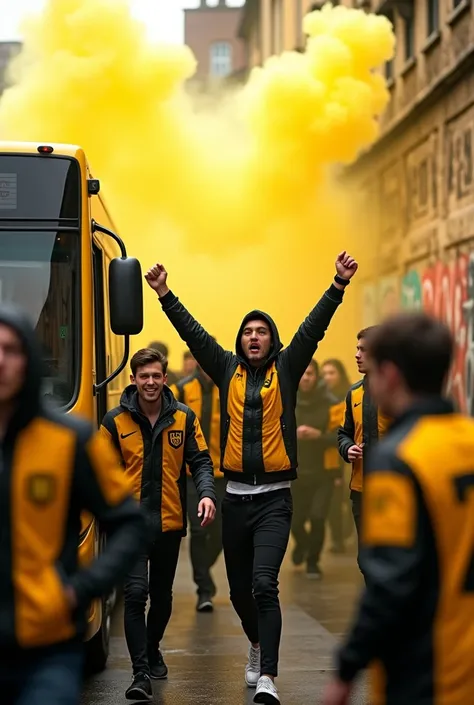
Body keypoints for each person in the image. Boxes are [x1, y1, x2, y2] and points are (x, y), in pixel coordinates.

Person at [144, 251, 358, 705]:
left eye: (262, 332)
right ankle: (256, 644)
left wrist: (337, 285)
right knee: (240, 590)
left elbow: (313, 327)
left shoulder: (287, 366)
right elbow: (195, 335)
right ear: (240, 342)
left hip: (276, 499)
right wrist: (164, 294)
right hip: (234, 497)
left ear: (272, 340)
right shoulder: (226, 370)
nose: (254, 337)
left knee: (264, 584)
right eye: (248, 332)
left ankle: (268, 677)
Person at [323, 312, 474, 705]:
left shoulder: (400, 459)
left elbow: (390, 583)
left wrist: (347, 668)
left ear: (389, 374)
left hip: (431, 673)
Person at [0, 304, 146, 705]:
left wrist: (81, 588)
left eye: (11, 350)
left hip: (47, 650)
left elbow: (130, 524)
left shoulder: (70, 439)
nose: (0, 361)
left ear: (29, 360)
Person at [100, 348, 216, 702]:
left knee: (161, 598)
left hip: (169, 522)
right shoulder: (114, 421)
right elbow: (99, 471)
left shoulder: (184, 418)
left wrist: (207, 494)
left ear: (165, 379)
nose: (150, 382)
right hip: (130, 527)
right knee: (135, 595)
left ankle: (152, 647)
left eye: (156, 375)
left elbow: (201, 462)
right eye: (143, 376)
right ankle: (140, 673)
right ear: (133, 379)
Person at [170, 360, 225, 613]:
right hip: (191, 475)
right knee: (199, 530)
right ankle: (204, 589)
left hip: (224, 474)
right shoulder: (181, 390)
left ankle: (204, 570)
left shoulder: (227, 390)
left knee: (223, 533)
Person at [337, 327, 391, 577]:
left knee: (389, 559)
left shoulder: (396, 394)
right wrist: (348, 449)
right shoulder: (354, 393)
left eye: (364, 350)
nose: (357, 355)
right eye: (357, 349)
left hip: (392, 489)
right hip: (360, 489)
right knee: (366, 560)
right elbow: (343, 433)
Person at [291, 359, 343, 579]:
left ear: (317, 376)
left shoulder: (331, 403)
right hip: (295, 471)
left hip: (323, 472)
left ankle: (313, 560)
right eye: (302, 374)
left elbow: (340, 437)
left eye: (310, 374)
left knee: (318, 517)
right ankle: (302, 544)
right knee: (295, 520)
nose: (306, 378)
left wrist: (317, 436)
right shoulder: (288, 400)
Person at [321, 359, 352, 554]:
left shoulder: (347, 397)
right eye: (324, 373)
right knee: (333, 502)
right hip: (326, 456)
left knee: (346, 500)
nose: (327, 377)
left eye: (331, 373)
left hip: (346, 455)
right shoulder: (320, 397)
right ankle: (337, 538)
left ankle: (345, 532)